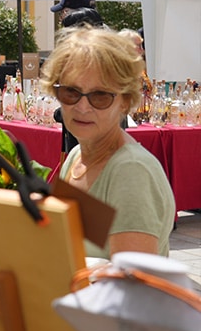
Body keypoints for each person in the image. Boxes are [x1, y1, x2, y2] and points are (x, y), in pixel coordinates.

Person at [42, 26, 175, 258]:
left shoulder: (131, 171)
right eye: (71, 92)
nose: (82, 107)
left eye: (100, 96)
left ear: (125, 101)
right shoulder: (76, 157)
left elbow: (133, 284)